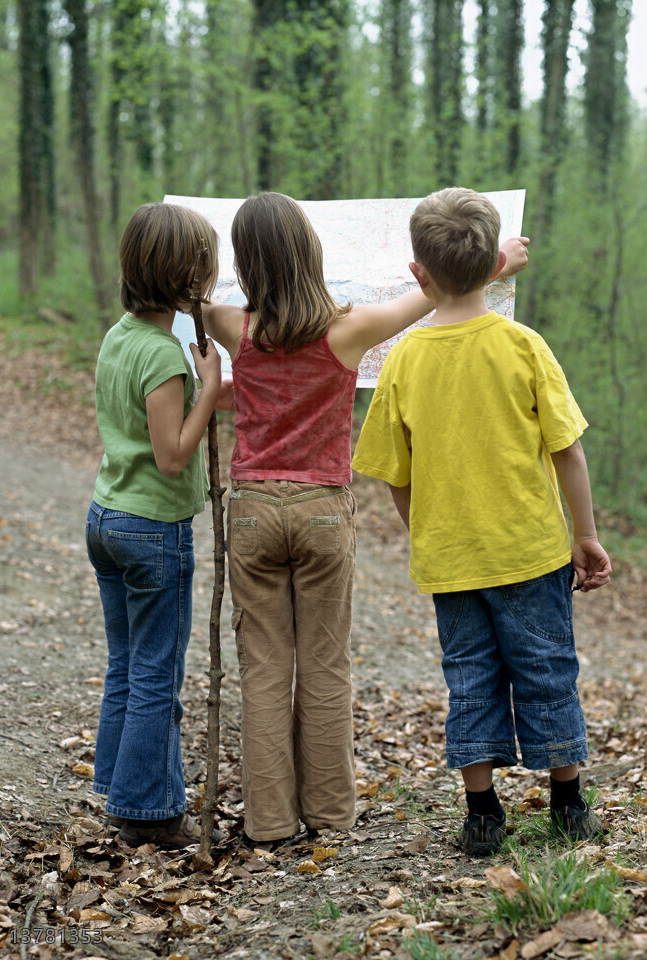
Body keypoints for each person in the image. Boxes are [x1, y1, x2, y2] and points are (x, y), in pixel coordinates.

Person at [200, 192, 530, 846]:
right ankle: (329, 813)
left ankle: (268, 821)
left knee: (264, 669)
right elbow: (430, 298)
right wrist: (494, 266)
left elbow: (197, 300)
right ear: (312, 254)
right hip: (323, 509)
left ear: (247, 264)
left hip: (255, 511)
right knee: (325, 663)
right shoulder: (347, 331)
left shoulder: (233, 327)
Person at [351, 186, 611, 857]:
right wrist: (585, 534)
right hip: (531, 550)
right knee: (548, 669)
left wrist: (427, 532)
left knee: (469, 678)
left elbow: (394, 475)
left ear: (419, 274)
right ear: (496, 261)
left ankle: (482, 813)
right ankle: (568, 804)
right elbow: (568, 450)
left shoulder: (402, 360)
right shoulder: (523, 345)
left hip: (452, 559)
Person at [86, 202, 222, 849]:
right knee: (156, 673)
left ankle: (117, 781)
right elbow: (172, 457)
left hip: (107, 515)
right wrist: (210, 390)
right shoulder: (164, 357)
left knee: (128, 663)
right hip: (151, 528)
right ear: (188, 278)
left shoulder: (120, 335)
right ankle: (148, 810)